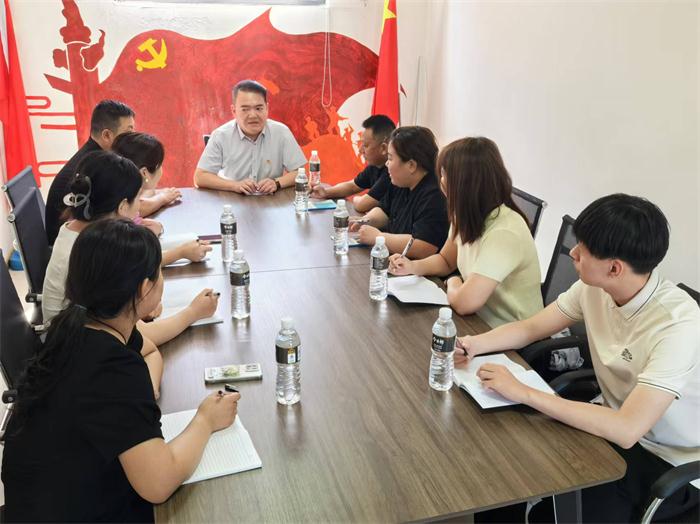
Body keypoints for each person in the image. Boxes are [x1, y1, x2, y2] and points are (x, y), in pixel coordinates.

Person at [456, 194, 700, 522]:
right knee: (508, 465)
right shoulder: (594, 288)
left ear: (614, 268)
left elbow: (628, 428)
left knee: (551, 515)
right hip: (607, 424)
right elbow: (531, 328)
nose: (573, 252)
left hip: (666, 461)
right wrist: (472, 344)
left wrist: (524, 392)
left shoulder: (677, 324)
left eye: (582, 249)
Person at [2, 218, 240, 522]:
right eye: (158, 273)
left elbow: (149, 350)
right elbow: (159, 484)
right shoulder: (112, 367)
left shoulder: (79, 322)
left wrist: (140, 400)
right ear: (144, 289)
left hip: (39, 500)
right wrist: (206, 419)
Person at [42, 151, 216, 396]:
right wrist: (193, 313)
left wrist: (138, 306)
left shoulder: (76, 232)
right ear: (123, 206)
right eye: (138, 200)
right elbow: (144, 337)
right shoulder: (94, 252)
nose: (139, 211)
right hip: (75, 366)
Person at [389, 137, 543, 327]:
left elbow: (464, 303)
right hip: (476, 321)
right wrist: (412, 267)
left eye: (444, 175)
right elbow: (446, 260)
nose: (440, 182)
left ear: (464, 184)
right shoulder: (465, 214)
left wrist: (454, 280)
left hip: (509, 333)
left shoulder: (505, 232)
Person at [46, 100, 135, 245]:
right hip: (75, 248)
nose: (133, 138)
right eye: (128, 132)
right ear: (107, 135)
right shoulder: (98, 168)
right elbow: (122, 211)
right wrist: (161, 199)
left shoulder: (92, 158)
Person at [350, 126, 448, 259]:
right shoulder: (401, 181)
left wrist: (378, 237)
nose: (386, 164)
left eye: (390, 158)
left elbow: (424, 246)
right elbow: (384, 211)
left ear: (411, 165)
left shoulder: (434, 195)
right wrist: (365, 221)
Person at [194, 79, 306, 195]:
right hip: (231, 199)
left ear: (267, 108)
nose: (253, 115)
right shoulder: (221, 135)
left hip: (270, 201)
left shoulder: (281, 132)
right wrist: (235, 185)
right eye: (245, 109)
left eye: (258, 108)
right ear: (234, 110)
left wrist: (276, 183)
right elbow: (200, 177)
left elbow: (300, 172)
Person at [310, 114, 395, 213]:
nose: (360, 150)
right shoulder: (374, 166)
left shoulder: (391, 172)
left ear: (383, 148)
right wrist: (325, 192)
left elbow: (362, 205)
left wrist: (355, 199)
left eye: (365, 145)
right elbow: (353, 186)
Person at [112, 131, 182, 217]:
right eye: (159, 165)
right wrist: (162, 198)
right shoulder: (123, 204)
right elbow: (139, 209)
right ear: (144, 173)